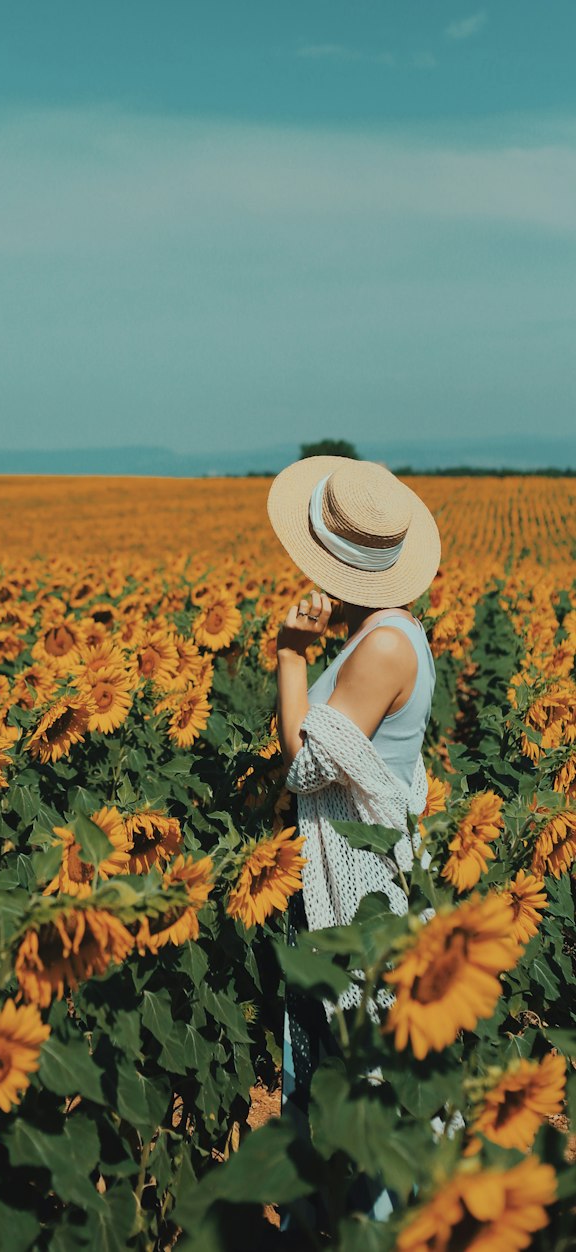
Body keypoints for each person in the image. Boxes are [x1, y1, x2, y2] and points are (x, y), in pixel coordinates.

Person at [264, 455, 442, 1235]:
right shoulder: (386, 629)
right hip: (345, 883)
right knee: (322, 1066)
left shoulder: (383, 647)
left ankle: (365, 1231)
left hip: (358, 891)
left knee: (355, 1078)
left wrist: (291, 654)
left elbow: (306, 762)